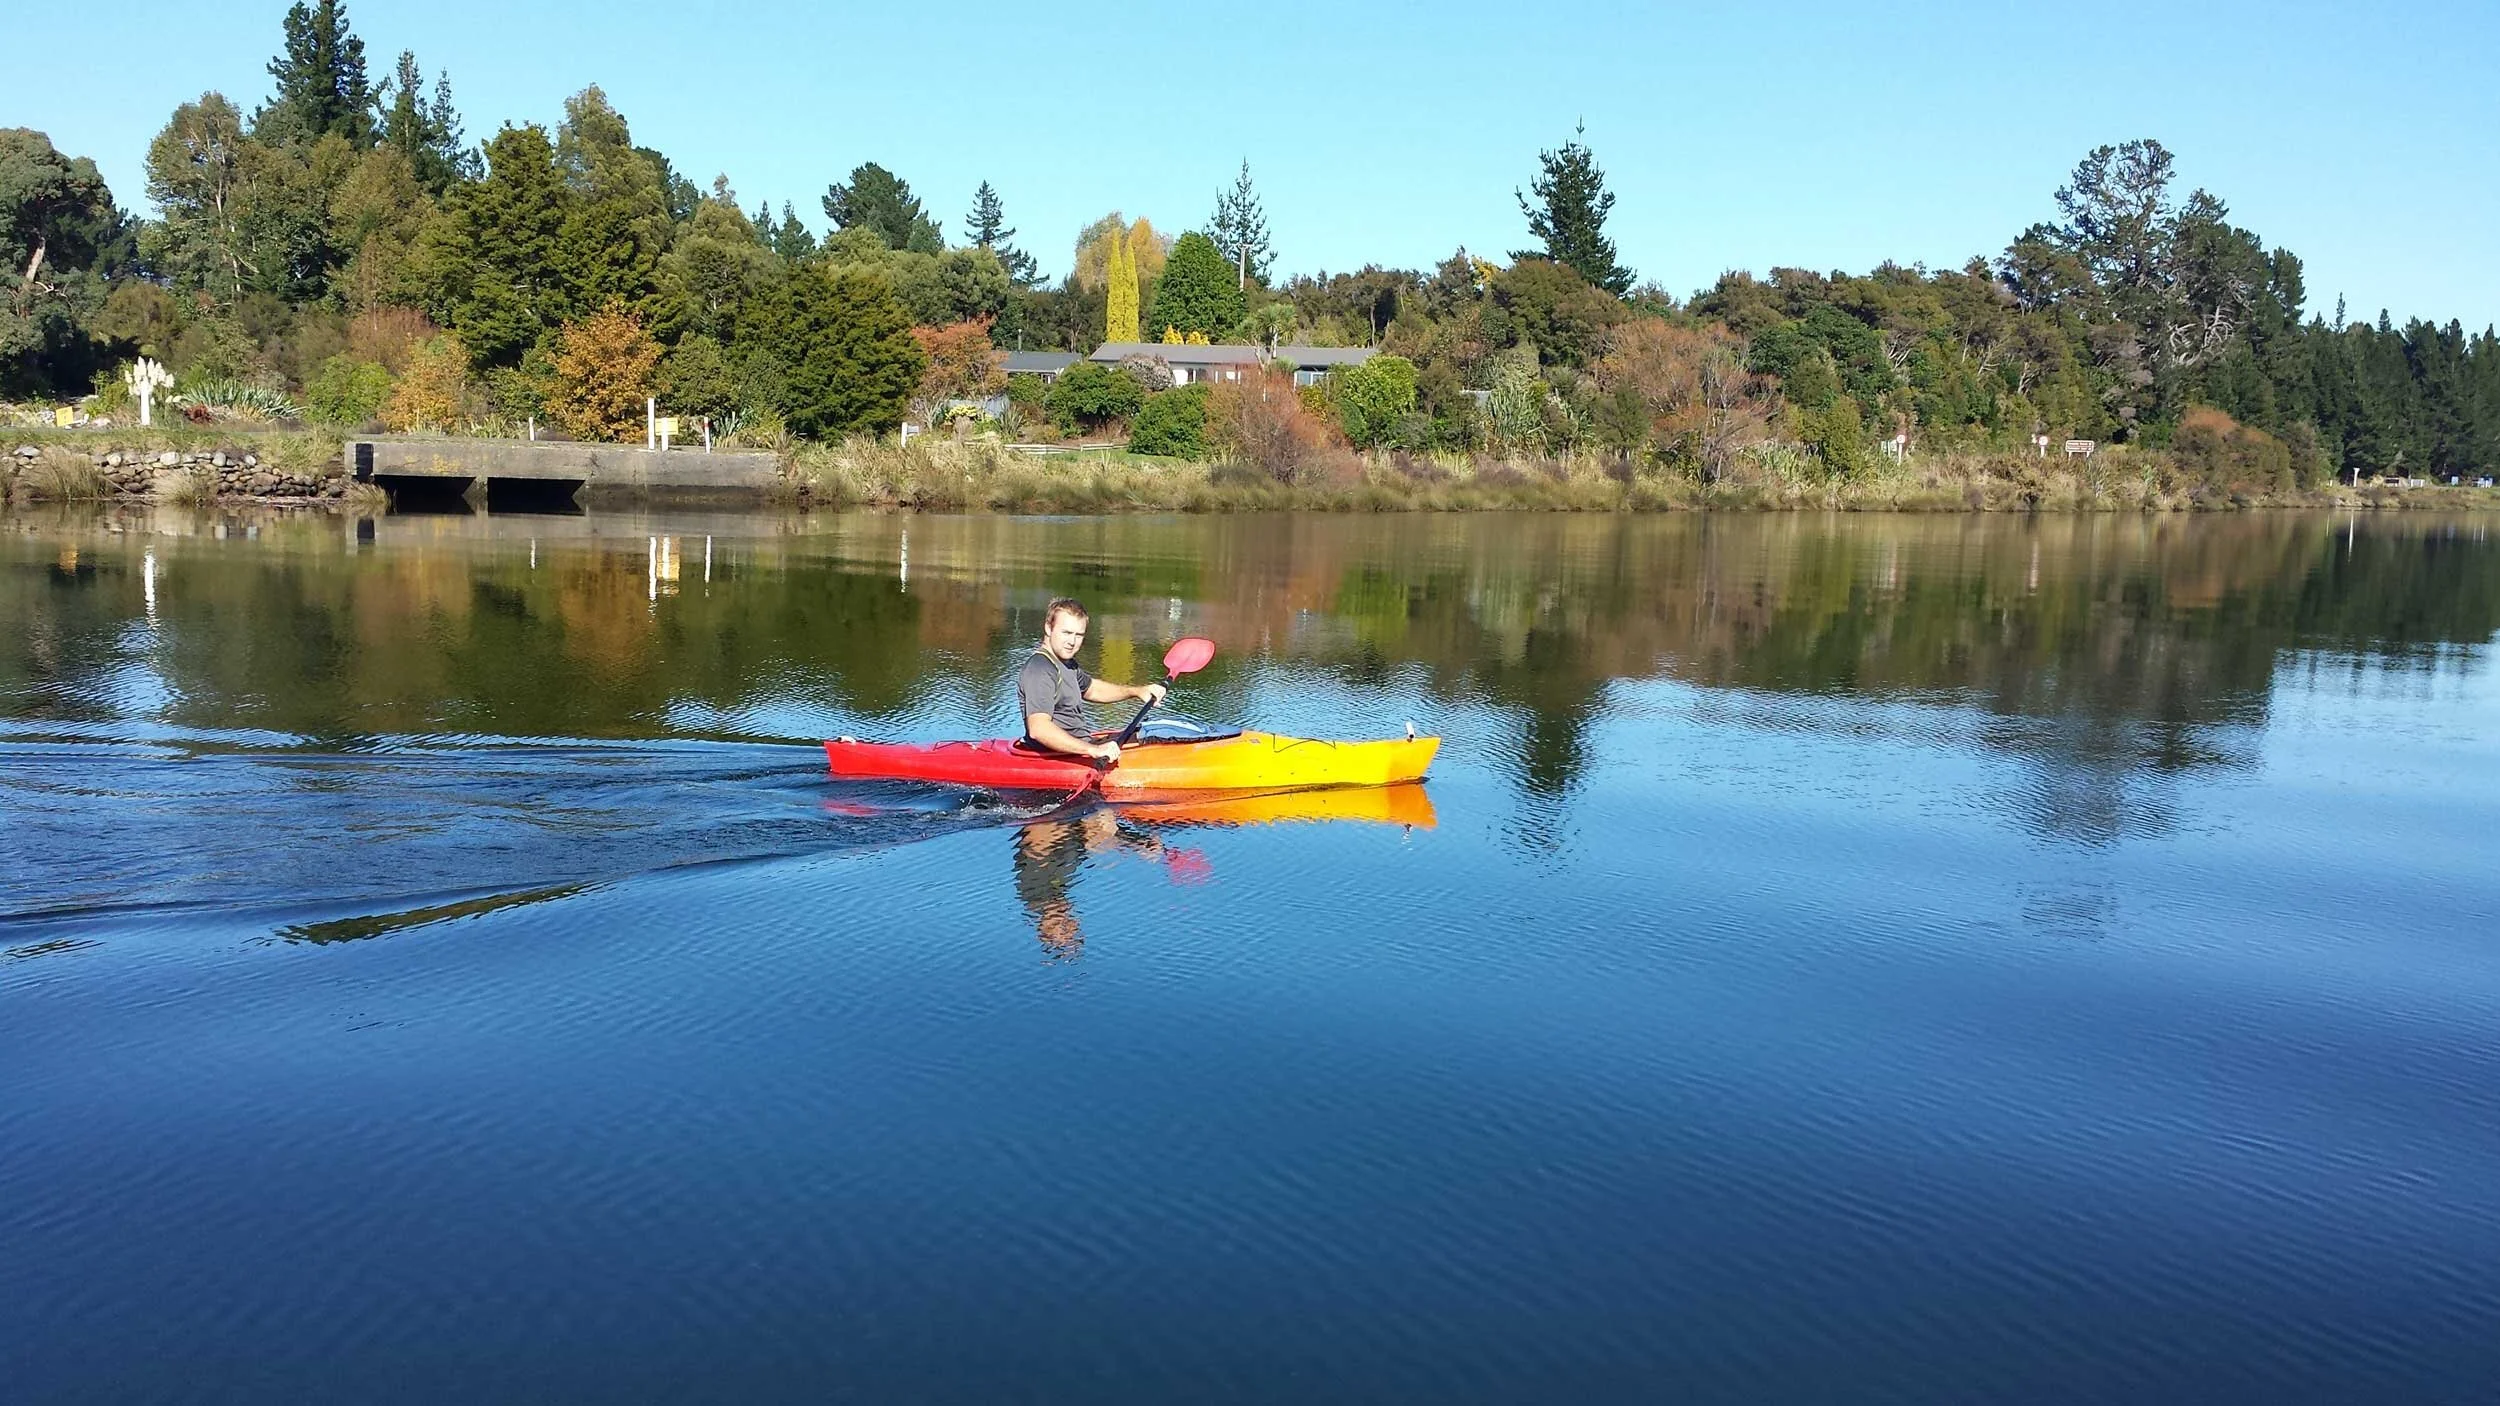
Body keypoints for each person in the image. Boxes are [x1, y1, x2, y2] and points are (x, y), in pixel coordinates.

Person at [1017, 598, 1165, 763]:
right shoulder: (1040, 669)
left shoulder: (1067, 664)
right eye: (1066, 633)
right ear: (1048, 628)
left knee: (1153, 733)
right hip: (1061, 757)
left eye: (1078, 635)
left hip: (1080, 749)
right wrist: (1093, 750)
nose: (1072, 642)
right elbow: (1039, 729)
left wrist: (1137, 691)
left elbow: (1093, 689)